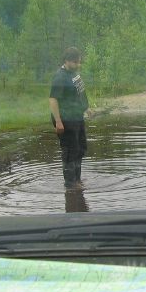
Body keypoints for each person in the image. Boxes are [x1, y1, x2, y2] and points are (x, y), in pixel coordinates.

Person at [49, 47, 89, 189]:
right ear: (67, 61)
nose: (78, 65)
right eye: (75, 62)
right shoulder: (60, 77)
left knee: (80, 148)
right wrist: (58, 122)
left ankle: (77, 180)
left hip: (77, 117)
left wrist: (85, 108)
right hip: (65, 120)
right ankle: (70, 184)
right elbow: (53, 100)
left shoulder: (74, 73)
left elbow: (79, 93)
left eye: (79, 62)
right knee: (70, 150)